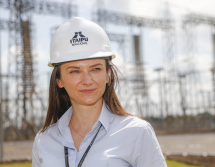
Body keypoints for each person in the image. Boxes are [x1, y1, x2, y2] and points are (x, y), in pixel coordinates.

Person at [32, 17, 167, 167]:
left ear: (108, 74)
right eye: (75, 71)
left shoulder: (137, 133)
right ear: (59, 80)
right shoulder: (43, 141)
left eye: (95, 69)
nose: (87, 80)